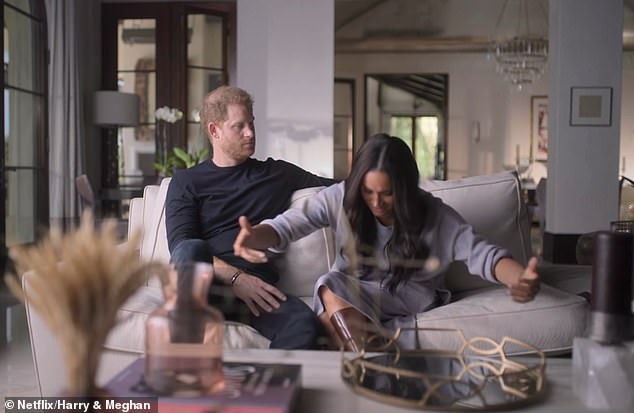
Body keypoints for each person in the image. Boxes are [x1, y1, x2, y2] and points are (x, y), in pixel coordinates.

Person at [233, 133, 541, 351]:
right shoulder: (341, 197)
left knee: (328, 312)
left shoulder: (432, 213)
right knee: (330, 289)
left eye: (387, 194)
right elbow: (287, 226)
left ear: (404, 189)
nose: (376, 203)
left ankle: (372, 371)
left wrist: (518, 278)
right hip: (355, 293)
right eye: (368, 192)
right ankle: (379, 370)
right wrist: (255, 236)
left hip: (410, 294)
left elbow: (482, 254)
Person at [165, 85, 336, 349]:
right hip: (205, 287)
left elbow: (340, 188)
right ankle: (185, 361)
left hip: (257, 291)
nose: (250, 133)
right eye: (239, 126)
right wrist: (236, 279)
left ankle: (268, 377)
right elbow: (180, 247)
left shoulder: (277, 174)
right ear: (214, 130)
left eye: (252, 123)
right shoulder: (187, 181)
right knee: (190, 249)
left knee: (304, 324)